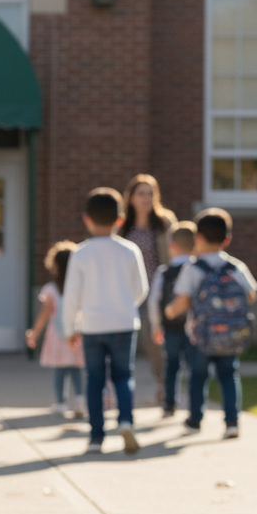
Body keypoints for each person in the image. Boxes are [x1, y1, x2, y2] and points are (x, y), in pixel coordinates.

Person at [62, 188, 148, 454]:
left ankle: (96, 436)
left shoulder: (80, 253)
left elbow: (71, 295)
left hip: (92, 326)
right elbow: (141, 289)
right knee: (124, 376)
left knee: (94, 381)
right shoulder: (130, 250)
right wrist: (125, 305)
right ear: (120, 219)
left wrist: (69, 328)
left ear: (86, 219)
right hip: (123, 323)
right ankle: (125, 421)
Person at [165, 208, 257, 439]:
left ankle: (195, 419)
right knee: (229, 375)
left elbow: (183, 302)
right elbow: (251, 296)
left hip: (201, 335)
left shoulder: (193, 269)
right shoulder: (236, 267)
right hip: (231, 335)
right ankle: (232, 421)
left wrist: (169, 311)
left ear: (197, 238)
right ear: (227, 239)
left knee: (198, 376)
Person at [118, 174, 178, 406]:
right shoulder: (123, 226)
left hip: (158, 291)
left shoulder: (165, 222)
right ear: (131, 198)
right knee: (127, 341)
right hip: (130, 293)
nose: (146, 198)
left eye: (150, 193)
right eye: (141, 193)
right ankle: (121, 389)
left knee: (156, 343)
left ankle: (165, 386)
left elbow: (176, 254)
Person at [25, 241, 85, 417]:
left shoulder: (51, 290)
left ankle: (61, 402)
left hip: (58, 335)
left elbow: (43, 315)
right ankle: (80, 399)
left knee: (60, 370)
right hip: (76, 333)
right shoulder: (80, 288)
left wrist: (34, 333)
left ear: (56, 266)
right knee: (76, 369)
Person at [147, 222, 199, 418]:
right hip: (195, 329)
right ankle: (195, 407)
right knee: (195, 368)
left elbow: (154, 301)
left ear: (172, 244)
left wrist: (156, 326)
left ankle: (169, 404)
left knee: (172, 367)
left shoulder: (164, 272)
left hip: (170, 328)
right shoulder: (198, 269)